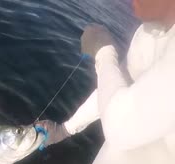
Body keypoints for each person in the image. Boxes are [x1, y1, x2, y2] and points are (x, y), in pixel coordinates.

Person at [36, 0, 175, 151]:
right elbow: (115, 87)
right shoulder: (149, 32)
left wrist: (104, 51)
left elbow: (119, 129)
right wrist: (65, 129)